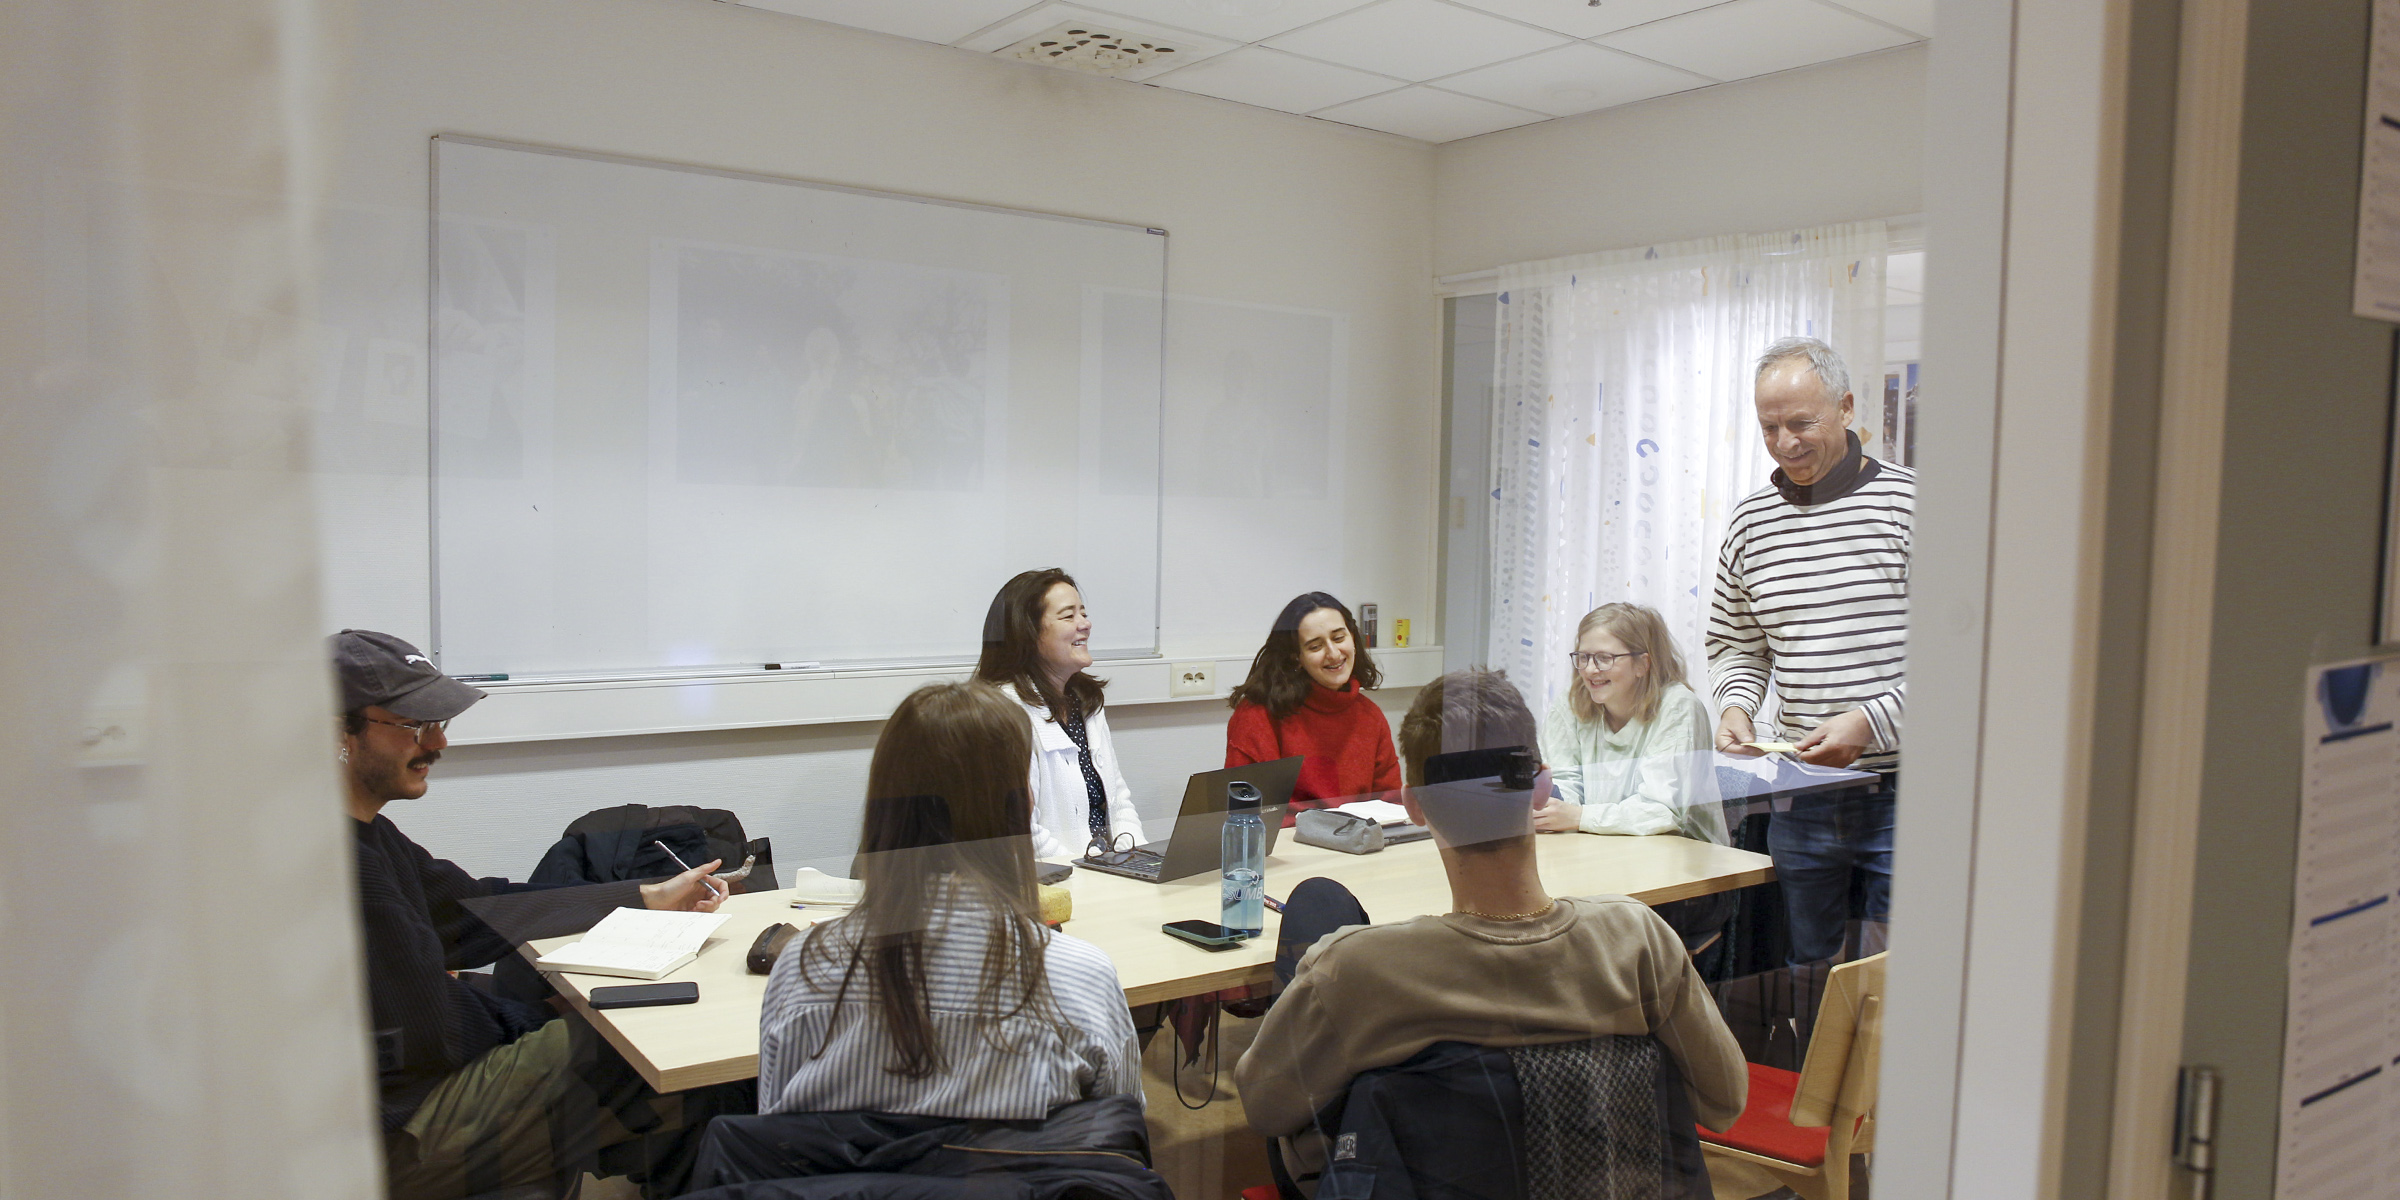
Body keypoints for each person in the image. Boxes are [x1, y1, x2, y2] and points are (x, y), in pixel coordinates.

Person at [1235, 667, 1747, 1146]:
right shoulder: (1637, 941)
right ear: (1542, 786)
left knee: (1318, 903)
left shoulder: (1358, 969)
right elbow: (1724, 1101)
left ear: (1412, 804)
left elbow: (1265, 1108)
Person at [334, 629, 745, 1200]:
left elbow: (477, 910)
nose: (438, 743)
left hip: (407, 1096)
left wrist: (646, 896)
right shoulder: (336, 864)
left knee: (646, 1057)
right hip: (398, 1132)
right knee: (661, 1056)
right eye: (413, 725)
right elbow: (431, 1031)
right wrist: (533, 1018)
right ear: (338, 731)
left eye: (440, 723)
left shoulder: (361, 833)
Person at [757, 680, 1142, 1118]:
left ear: (885, 808)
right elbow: (1119, 1134)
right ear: (1016, 805)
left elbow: (776, 1135)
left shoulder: (803, 968)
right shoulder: (1080, 977)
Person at [1708, 336, 1913, 965]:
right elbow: (1736, 644)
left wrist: (1871, 722)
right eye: (1769, 427)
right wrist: (1737, 708)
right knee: (1807, 972)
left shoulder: (1912, 506)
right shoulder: (1750, 523)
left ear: (1847, 408)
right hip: (1802, 793)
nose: (1785, 442)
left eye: (1802, 423)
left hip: (1904, 790)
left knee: (1901, 975)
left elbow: (1973, 660)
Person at [975, 569, 1144, 861]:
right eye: (1068, 616)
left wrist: (1138, 857)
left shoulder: (1086, 702)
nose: (1085, 624)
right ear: (1027, 633)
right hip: (1052, 882)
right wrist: (1080, 875)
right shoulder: (1002, 711)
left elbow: (1119, 800)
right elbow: (1020, 830)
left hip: (1106, 874)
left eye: (1083, 613)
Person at [1533, 601, 1728, 845]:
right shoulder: (1572, 701)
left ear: (1642, 664)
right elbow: (1564, 784)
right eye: (1583, 657)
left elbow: (1661, 812)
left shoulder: (1678, 706)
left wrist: (1579, 817)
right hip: (1602, 845)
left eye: (1604, 658)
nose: (1590, 670)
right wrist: (1553, 808)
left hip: (1684, 854)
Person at [1225, 592, 1400, 825]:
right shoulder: (1257, 716)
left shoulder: (1370, 716)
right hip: (1290, 853)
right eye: (1315, 646)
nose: (1334, 653)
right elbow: (1246, 816)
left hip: (1360, 849)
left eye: (1339, 638)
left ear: (1353, 638)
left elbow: (1391, 806)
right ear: (1296, 657)